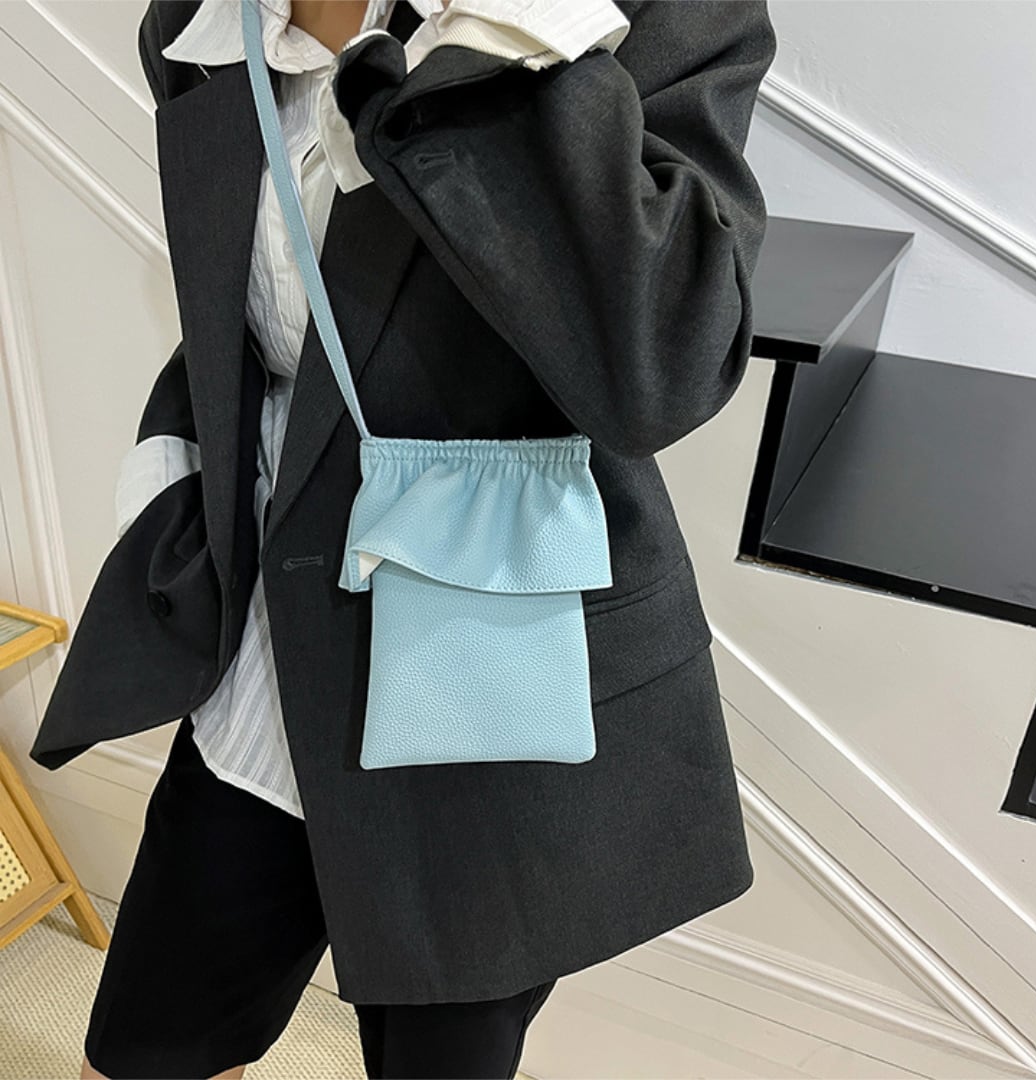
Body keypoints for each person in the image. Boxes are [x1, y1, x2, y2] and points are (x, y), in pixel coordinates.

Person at [36, 0, 778, 1076]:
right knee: (147, 1045)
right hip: (263, 668)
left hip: (479, 700)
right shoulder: (204, 22)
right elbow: (250, 317)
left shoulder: (660, 13)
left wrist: (496, 38)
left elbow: (666, 361)